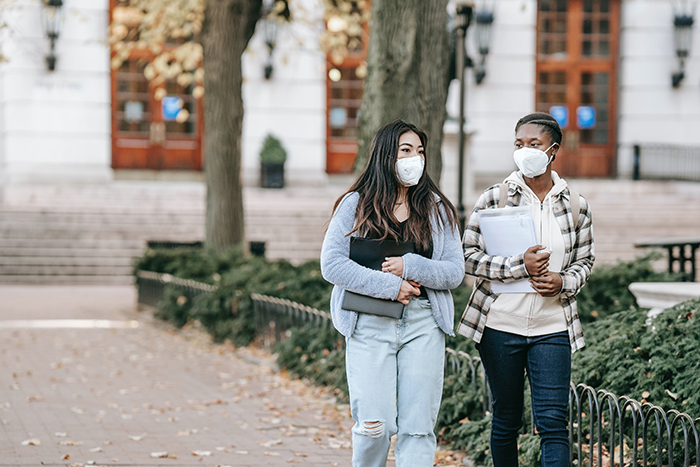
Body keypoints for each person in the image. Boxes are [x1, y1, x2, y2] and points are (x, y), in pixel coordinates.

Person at [320, 120, 465, 467]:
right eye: (405, 151)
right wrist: (391, 286)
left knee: (418, 430)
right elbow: (333, 265)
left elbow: (454, 272)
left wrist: (410, 265)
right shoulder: (355, 205)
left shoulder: (436, 209)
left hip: (423, 324)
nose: (415, 158)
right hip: (369, 324)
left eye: (419, 151)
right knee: (374, 426)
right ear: (386, 156)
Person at [457, 112, 595, 467]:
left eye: (534, 144)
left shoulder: (576, 205)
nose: (524, 151)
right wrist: (520, 265)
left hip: (552, 328)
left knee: (552, 423)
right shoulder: (494, 197)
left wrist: (563, 282)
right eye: (519, 144)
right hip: (500, 326)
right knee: (506, 420)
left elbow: (585, 262)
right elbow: (467, 258)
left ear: (553, 150)